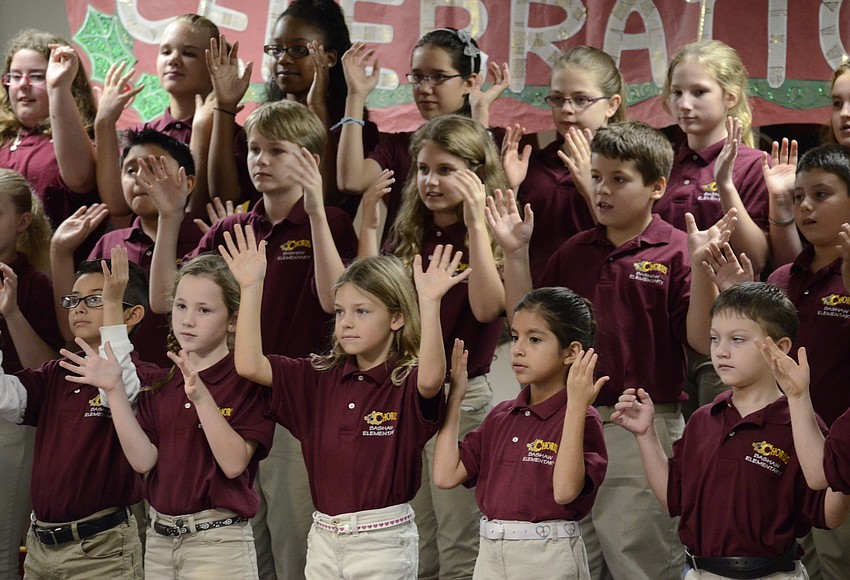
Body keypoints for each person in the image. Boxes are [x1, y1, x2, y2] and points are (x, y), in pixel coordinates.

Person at [488, 121, 733, 580]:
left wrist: (703, 273)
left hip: (640, 421)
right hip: (569, 422)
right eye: (596, 177)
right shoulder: (573, 251)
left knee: (639, 559)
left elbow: (702, 341)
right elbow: (529, 324)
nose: (602, 190)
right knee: (566, 558)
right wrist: (516, 256)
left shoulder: (676, 251)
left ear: (656, 186)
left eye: (618, 179)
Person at [147, 98, 357, 578]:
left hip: (292, 401)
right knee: (241, 535)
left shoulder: (330, 223)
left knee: (290, 537)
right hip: (230, 399)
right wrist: (169, 219)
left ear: (310, 160)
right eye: (254, 150)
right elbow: (164, 299)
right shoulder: (234, 227)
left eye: (276, 151)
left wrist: (318, 213)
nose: (260, 161)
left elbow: (333, 301)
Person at [223, 222, 464, 578]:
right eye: (340, 311)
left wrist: (429, 304)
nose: (346, 323)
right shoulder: (317, 376)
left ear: (397, 318)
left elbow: (430, 379)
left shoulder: (404, 379)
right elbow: (248, 364)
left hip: (383, 540)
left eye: (361, 311)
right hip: (323, 536)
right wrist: (250, 286)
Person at [612, 282, 850, 579]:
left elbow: (828, 513)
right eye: (714, 339)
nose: (721, 351)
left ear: (780, 347)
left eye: (737, 339)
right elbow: (673, 499)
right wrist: (645, 435)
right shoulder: (702, 420)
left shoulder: (800, 424)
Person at [359, 114, 507, 578]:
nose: (430, 181)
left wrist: (478, 226)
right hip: (403, 395)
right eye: (423, 169)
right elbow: (370, 305)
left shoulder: (489, 231)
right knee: (414, 533)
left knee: (459, 538)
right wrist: (368, 231)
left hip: (460, 398)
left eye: (446, 169)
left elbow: (488, 311)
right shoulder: (408, 233)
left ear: (476, 174)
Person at [68, 253, 275, 578]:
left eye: (203, 310)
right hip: (160, 539)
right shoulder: (161, 380)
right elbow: (144, 461)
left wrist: (203, 399)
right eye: (180, 306)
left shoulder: (246, 382)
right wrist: (114, 392)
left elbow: (234, 464)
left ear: (233, 320)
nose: (187, 320)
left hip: (218, 542)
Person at [0, 246, 158, 579]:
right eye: (73, 300)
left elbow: (120, 385)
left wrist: (113, 304)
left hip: (101, 550)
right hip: (40, 545)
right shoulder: (56, 372)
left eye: (96, 299)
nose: (79, 308)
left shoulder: (143, 376)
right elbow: (7, 397)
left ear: (132, 315)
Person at [432, 288, 607, 579]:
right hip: (490, 555)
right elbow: (445, 475)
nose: (518, 349)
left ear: (572, 352)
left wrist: (576, 406)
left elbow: (565, 491)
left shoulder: (583, 417)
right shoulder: (501, 416)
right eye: (515, 337)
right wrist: (455, 400)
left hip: (548, 557)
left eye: (534, 339)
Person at [205, 0, 378, 216]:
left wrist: (317, 107)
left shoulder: (353, 127)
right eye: (276, 49)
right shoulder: (264, 123)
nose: (283, 59)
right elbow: (226, 197)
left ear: (330, 58)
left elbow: (327, 199)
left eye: (298, 50)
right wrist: (225, 105)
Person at [338, 27, 510, 241]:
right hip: (404, 266)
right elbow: (351, 181)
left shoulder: (498, 140)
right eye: (418, 77)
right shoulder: (400, 145)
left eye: (439, 77)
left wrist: (480, 112)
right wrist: (355, 95)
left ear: (469, 82)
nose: (425, 88)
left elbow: (482, 188)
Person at [766, 144, 850, 579]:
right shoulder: (782, 279)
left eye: (821, 194)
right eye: (798, 196)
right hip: (783, 451)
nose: (805, 206)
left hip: (841, 455)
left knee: (837, 561)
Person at [51, 128, 203, 367]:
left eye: (154, 168)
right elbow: (73, 331)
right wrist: (60, 252)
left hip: (189, 381)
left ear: (188, 182)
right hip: (120, 380)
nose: (140, 178)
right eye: (131, 170)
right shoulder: (111, 244)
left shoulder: (204, 239)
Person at [501, 46, 625, 281]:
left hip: (597, 295)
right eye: (557, 99)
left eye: (580, 100)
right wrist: (510, 186)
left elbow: (625, 245)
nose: (567, 109)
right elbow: (507, 240)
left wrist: (591, 185)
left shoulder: (627, 166)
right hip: (537, 296)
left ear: (611, 105)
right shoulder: (535, 165)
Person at [659, 39, 768, 274]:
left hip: (724, 300)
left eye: (699, 92)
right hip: (660, 299)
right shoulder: (664, 163)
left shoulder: (756, 164)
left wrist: (724, 184)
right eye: (677, 92)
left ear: (730, 97)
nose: (684, 104)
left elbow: (756, 260)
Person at [0, 168, 62, 579]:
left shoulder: (36, 284)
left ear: (22, 222)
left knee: (5, 549)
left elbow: (47, 370)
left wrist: (12, 311)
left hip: (14, 426)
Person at [0, 30, 100, 248]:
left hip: (58, 273)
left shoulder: (85, 139)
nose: (23, 85)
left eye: (36, 76)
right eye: (15, 76)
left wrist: (57, 87)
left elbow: (81, 180)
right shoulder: (4, 138)